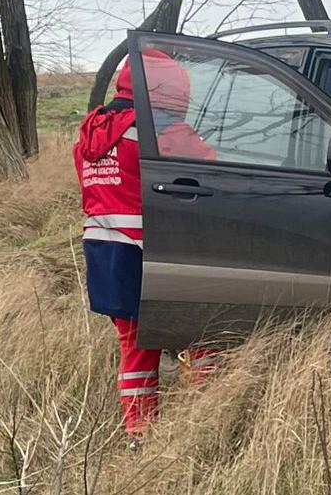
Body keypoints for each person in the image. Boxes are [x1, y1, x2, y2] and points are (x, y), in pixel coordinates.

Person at [74, 49, 217, 443]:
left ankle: (140, 433)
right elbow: (211, 169)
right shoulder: (160, 132)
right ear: (166, 91)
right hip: (153, 253)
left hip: (105, 254)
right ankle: (209, 420)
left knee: (135, 346)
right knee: (203, 333)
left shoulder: (91, 133)